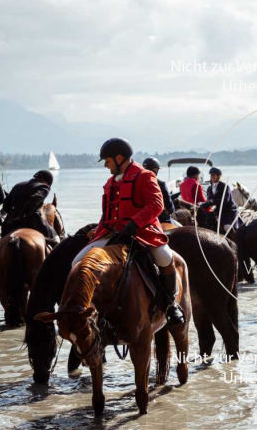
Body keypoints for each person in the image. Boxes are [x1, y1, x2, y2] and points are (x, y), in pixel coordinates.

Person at [72, 138, 184, 325]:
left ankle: (171, 304)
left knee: (165, 257)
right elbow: (106, 214)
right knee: (76, 263)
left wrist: (134, 223)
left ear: (119, 158)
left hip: (143, 231)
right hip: (112, 233)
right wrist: (97, 231)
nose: (106, 166)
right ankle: (83, 308)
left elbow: (156, 205)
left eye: (107, 161)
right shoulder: (110, 182)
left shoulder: (145, 176)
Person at [2, 169, 60, 244]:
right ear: (46, 181)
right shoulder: (44, 187)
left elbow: (6, 204)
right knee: (56, 239)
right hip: (32, 222)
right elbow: (33, 201)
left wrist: (12, 215)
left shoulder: (18, 185)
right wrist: (21, 216)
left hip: (10, 222)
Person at [200, 166, 239, 232]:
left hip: (229, 212)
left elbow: (225, 200)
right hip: (218, 212)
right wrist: (203, 204)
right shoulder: (209, 188)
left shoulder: (225, 186)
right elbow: (209, 200)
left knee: (227, 227)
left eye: (214, 175)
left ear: (218, 176)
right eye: (211, 175)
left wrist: (212, 201)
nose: (212, 176)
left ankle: (235, 240)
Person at [142, 157, 177, 224]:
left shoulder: (138, 183)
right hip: (160, 219)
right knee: (180, 228)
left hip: (141, 219)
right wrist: (171, 210)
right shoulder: (161, 184)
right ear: (155, 170)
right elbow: (170, 207)